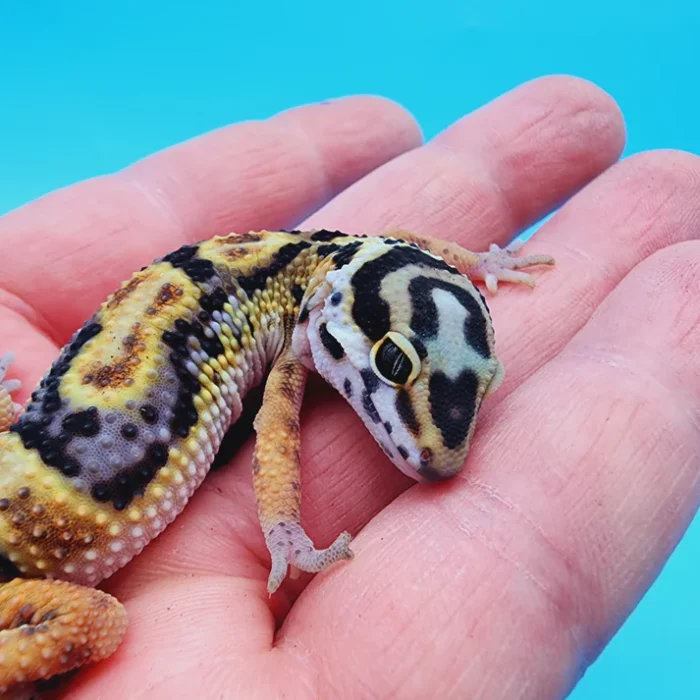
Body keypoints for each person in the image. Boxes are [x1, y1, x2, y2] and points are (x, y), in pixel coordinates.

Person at [0, 75, 696, 698]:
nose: (435, 448)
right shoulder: (315, 319)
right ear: (331, 310)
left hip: (47, 451)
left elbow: (400, 246)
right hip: (39, 526)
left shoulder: (331, 283)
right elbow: (279, 428)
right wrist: (283, 533)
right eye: (394, 368)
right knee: (93, 622)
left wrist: (474, 264)